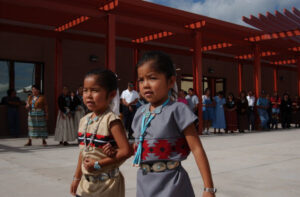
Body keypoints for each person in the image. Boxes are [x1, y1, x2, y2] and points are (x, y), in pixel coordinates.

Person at [126, 51, 216, 197]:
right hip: (144, 183)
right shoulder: (139, 113)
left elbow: (197, 149)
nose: (145, 85)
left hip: (172, 185)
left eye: (152, 78)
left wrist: (208, 188)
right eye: (141, 80)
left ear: (170, 81)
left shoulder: (178, 110)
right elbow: (139, 146)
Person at [70, 69, 132, 197]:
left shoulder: (112, 120)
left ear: (111, 94)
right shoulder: (84, 120)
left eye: (95, 90)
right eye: (85, 90)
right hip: (86, 185)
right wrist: (77, 178)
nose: (88, 95)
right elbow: (83, 152)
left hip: (107, 185)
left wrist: (98, 164)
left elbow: (126, 151)